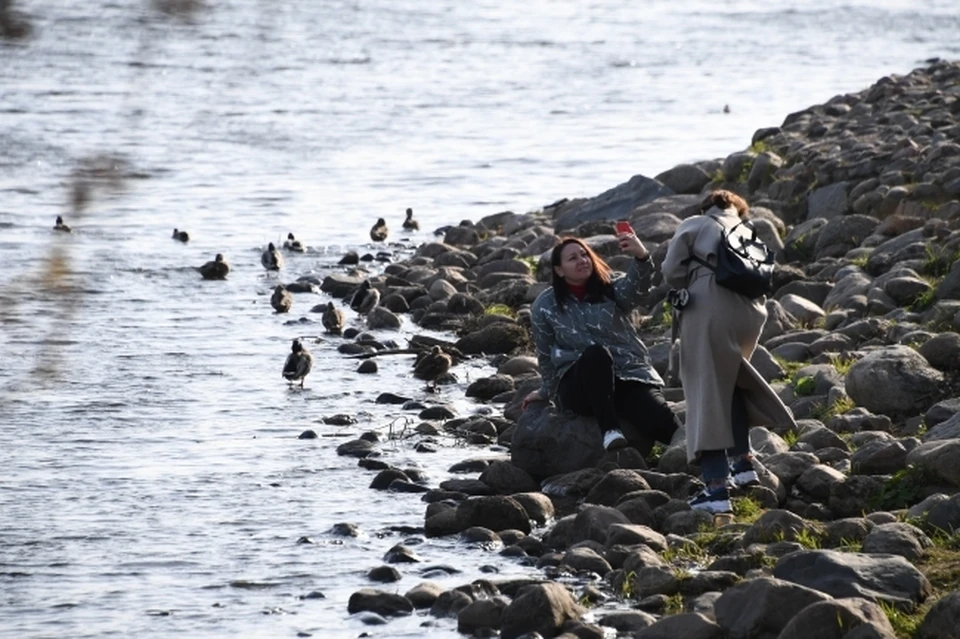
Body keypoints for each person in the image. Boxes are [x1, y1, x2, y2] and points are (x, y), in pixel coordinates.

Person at [661, 189, 796, 514]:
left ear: (707, 205)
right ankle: (743, 464)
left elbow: (671, 270)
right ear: (739, 208)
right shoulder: (745, 230)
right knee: (729, 384)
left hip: (710, 306)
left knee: (705, 393)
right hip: (749, 312)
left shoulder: (697, 224)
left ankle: (716, 490)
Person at [521, 232, 681, 454]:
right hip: (579, 386)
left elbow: (637, 290)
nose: (582, 260)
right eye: (573, 258)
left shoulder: (611, 288)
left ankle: (717, 469)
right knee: (596, 354)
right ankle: (610, 431)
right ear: (559, 270)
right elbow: (546, 354)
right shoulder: (544, 306)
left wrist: (642, 256)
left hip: (627, 377)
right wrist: (546, 391)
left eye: (584, 255)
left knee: (666, 425)